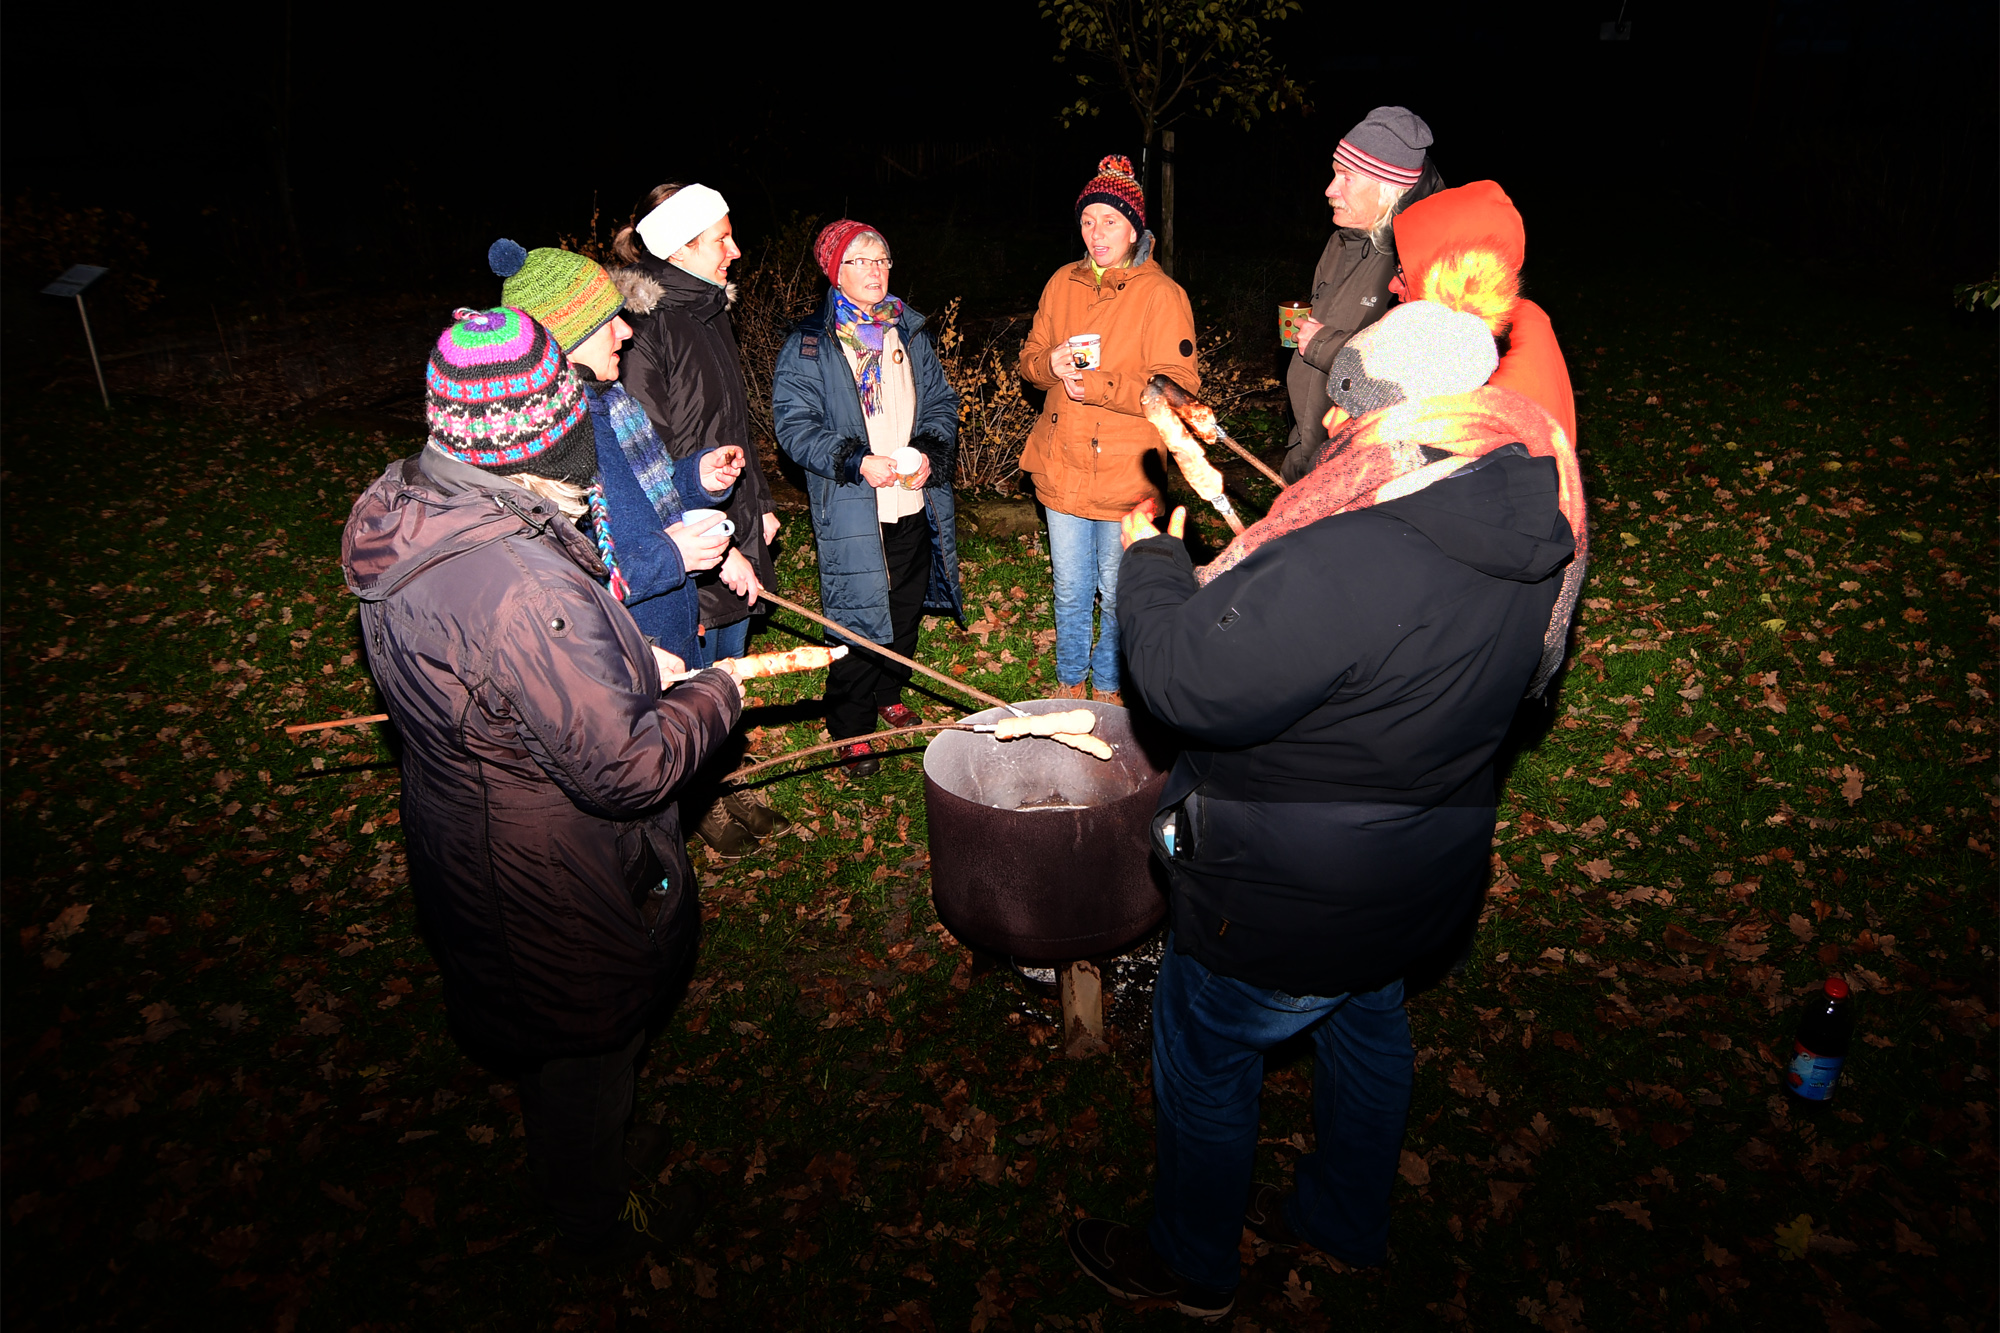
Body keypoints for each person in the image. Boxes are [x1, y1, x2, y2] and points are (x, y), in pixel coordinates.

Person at [1065, 298, 1587, 1321]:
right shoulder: (1536, 509)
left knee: (1205, 1052)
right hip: (1422, 866)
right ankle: (1346, 1216)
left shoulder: (1353, 550)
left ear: (1403, 412)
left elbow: (1183, 682)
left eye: (1352, 404)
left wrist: (1150, 559)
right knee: (1366, 1018)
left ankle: (1193, 1263)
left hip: (1288, 890)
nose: (1333, 423)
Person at [342, 308, 748, 1262]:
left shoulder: (418, 510)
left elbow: (500, 679)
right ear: (540, 437)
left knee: (557, 1041)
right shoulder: (523, 583)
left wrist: (621, 664)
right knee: (585, 1040)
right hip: (548, 867)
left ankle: (592, 1144)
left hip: (471, 832)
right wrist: (715, 690)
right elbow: (627, 765)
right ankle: (597, 1219)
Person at [488, 239, 785, 854]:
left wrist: (697, 476)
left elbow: (651, 497)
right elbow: (576, 569)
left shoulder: (609, 401)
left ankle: (704, 791)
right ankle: (675, 830)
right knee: (645, 759)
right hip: (627, 638)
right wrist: (673, 556)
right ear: (567, 337)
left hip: (668, 611)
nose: (625, 331)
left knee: (685, 719)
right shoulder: (557, 440)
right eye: (608, 321)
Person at [772, 219, 965, 775]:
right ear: (836, 272)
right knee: (857, 618)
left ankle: (888, 691)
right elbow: (794, 425)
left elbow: (940, 402)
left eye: (882, 260)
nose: (875, 271)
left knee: (904, 609)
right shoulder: (811, 344)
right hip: (853, 507)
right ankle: (851, 727)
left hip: (912, 498)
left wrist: (927, 449)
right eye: (860, 261)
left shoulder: (909, 331)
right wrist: (856, 460)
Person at [1018, 154, 1198, 708]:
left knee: (1119, 591)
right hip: (1062, 463)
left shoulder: (1162, 295)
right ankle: (1070, 678)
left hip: (1126, 471)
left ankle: (1110, 685)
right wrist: (1049, 364)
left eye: (1111, 222)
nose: (1097, 234)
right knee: (1070, 588)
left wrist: (1100, 385)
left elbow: (1178, 388)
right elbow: (1029, 359)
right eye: (1088, 221)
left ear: (1135, 229)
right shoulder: (1061, 282)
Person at [609, 183, 777, 670]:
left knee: (727, 683)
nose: (735, 251)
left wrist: (759, 503)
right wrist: (718, 547)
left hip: (728, 520)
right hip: (686, 540)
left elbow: (731, 425)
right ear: (680, 248)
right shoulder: (642, 327)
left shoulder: (709, 311)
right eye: (721, 239)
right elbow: (645, 457)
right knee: (691, 690)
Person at [1280, 106, 1445, 484]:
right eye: (1334, 172)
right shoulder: (1341, 243)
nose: (1329, 189)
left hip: (1367, 473)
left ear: (1388, 188)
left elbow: (1415, 377)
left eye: (1346, 177)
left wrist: (1322, 343)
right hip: (1311, 456)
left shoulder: (1423, 259)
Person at [1388, 179, 1577, 445]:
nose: (1393, 285)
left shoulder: (1490, 355)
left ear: (1450, 272)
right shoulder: (1519, 322)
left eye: (1404, 271)